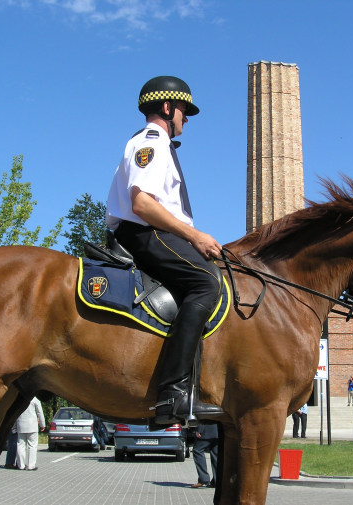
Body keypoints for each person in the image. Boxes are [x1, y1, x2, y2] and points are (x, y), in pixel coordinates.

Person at [106, 75, 224, 425]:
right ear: (168, 107)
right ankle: (173, 393)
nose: (186, 118)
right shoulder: (152, 142)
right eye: (184, 110)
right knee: (207, 283)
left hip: (151, 231)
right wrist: (194, 235)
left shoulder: (155, 145)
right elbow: (141, 203)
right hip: (144, 232)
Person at [15, 397, 45, 471]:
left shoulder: (19, 399)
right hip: (32, 425)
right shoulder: (35, 399)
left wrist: (14, 426)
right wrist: (42, 424)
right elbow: (39, 412)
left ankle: (21, 465)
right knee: (32, 446)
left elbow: (14, 412)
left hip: (21, 424)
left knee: (20, 445)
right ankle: (31, 466)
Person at [190, 424, 219, 488]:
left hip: (206, 431)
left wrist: (199, 430)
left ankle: (204, 479)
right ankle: (216, 481)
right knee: (216, 455)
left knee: (197, 450)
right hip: (217, 431)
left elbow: (204, 415)